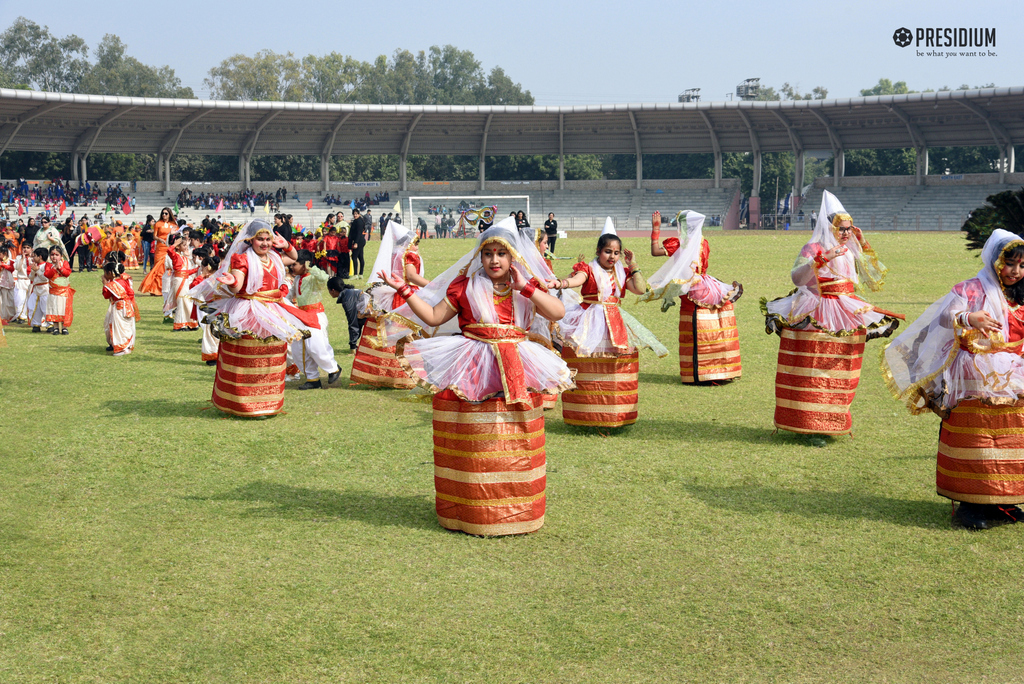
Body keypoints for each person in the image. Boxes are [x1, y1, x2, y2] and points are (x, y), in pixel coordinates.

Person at [379, 216, 574, 536]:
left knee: (516, 435)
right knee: (475, 438)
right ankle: (473, 510)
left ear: (513, 256)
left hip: (517, 363)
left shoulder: (525, 285)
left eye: (501, 253)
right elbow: (432, 316)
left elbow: (557, 312)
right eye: (488, 253)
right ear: (479, 256)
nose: (494, 260)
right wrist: (404, 288)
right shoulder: (465, 285)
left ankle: (517, 509)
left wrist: (525, 286)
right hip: (472, 364)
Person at [883, 229, 1024, 529]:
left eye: (1022, 265)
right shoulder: (972, 288)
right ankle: (970, 506)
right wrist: (970, 318)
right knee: (976, 438)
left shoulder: (1020, 293)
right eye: (1010, 263)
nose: (1015, 271)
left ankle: (1003, 500)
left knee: (1010, 435)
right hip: (972, 373)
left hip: (1012, 374)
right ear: (994, 260)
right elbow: (947, 316)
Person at [762, 190, 901, 436]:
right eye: (842, 228)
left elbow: (873, 277)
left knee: (841, 366)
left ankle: (834, 421)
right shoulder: (813, 247)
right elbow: (796, 276)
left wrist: (862, 242)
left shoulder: (850, 248)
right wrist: (821, 258)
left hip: (846, 311)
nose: (846, 233)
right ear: (828, 227)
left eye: (849, 228)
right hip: (818, 311)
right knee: (812, 367)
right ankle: (807, 424)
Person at [187, 219, 321, 418]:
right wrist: (231, 281)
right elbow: (238, 282)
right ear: (250, 240)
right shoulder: (243, 259)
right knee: (249, 358)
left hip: (273, 310)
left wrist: (287, 245)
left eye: (268, 239)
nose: (265, 243)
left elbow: (292, 257)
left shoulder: (274, 257)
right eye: (260, 239)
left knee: (271, 356)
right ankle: (244, 404)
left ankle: (267, 403)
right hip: (249, 311)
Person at [548, 218, 667, 427]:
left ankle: (615, 413)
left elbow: (640, 289)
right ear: (598, 251)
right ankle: (585, 415)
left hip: (615, 320)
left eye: (616, 252)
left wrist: (634, 265)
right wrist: (562, 283)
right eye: (607, 251)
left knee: (614, 365)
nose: (612, 256)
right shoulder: (589, 269)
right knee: (587, 361)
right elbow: (578, 280)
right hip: (590, 318)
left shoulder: (622, 272)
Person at [641, 210, 743, 384]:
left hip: (690, 288)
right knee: (712, 327)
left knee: (694, 328)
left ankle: (697, 373)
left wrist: (656, 229)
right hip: (707, 285)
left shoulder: (678, 243)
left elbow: (655, 251)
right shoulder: (704, 242)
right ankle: (720, 369)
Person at [350, 222, 426, 388]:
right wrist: (432, 285)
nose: (417, 247)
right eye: (416, 243)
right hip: (406, 295)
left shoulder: (394, 253)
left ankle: (379, 374)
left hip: (392, 296)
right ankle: (404, 376)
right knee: (405, 335)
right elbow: (412, 277)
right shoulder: (409, 255)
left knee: (386, 334)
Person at [287, 249, 342, 390]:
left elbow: (324, 278)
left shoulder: (313, 277)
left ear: (304, 264)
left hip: (315, 315)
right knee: (299, 349)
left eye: (294, 264)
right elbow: (290, 295)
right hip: (301, 317)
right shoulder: (298, 279)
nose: (291, 267)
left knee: (316, 346)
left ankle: (333, 368)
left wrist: (311, 268)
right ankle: (312, 379)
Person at [139, 207, 177, 297]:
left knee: (167, 268)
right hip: (160, 248)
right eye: (163, 213)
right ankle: (155, 289)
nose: (164, 215)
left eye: (166, 213)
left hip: (169, 247)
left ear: (169, 214)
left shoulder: (173, 224)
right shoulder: (158, 224)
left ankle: (165, 289)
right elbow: (154, 236)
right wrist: (159, 239)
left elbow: (176, 234)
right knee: (158, 269)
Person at [102, 260, 136, 355]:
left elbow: (106, 295)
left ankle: (121, 348)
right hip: (128, 305)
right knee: (126, 326)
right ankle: (127, 346)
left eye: (105, 273)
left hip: (119, 307)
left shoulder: (112, 284)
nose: (104, 275)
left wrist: (105, 284)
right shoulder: (123, 281)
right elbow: (131, 293)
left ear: (109, 273)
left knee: (119, 327)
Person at [43, 245, 73, 335]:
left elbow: (67, 273)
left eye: (57, 255)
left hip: (64, 292)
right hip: (53, 292)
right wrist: (54, 268)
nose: (54, 257)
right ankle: (55, 327)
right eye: (52, 254)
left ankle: (64, 327)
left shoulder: (65, 263)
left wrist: (60, 268)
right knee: (54, 308)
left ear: (61, 256)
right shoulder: (48, 265)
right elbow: (47, 275)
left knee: (64, 309)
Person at [327, 276, 364, 350]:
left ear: (333, 290)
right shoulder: (349, 293)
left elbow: (353, 322)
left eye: (328, 290)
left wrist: (352, 346)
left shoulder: (347, 299)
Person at [26, 247, 49, 332]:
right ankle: (36, 324)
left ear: (40, 256)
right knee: (33, 307)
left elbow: (45, 278)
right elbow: (31, 277)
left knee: (45, 307)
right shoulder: (35, 266)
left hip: (44, 289)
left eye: (35, 256)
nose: (33, 258)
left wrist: (38, 271)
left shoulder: (46, 266)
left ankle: (50, 324)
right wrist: (33, 271)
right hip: (36, 289)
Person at [349, 209, 367, 278]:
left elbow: (358, 233)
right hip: (360, 241)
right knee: (360, 257)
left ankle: (356, 274)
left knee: (354, 257)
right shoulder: (356, 221)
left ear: (359, 214)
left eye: (356, 214)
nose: (355, 215)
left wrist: (356, 243)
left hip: (359, 241)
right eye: (354, 214)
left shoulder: (359, 222)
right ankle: (360, 274)